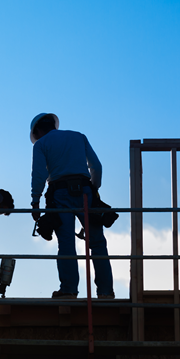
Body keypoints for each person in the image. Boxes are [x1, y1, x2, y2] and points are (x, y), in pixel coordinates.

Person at [29, 113, 114, 299]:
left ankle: (68, 290)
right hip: (85, 191)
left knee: (66, 244)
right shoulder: (78, 136)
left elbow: (39, 175)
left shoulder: (41, 145)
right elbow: (96, 167)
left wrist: (35, 201)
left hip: (59, 193)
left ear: (38, 131)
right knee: (98, 242)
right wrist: (94, 189)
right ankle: (106, 292)